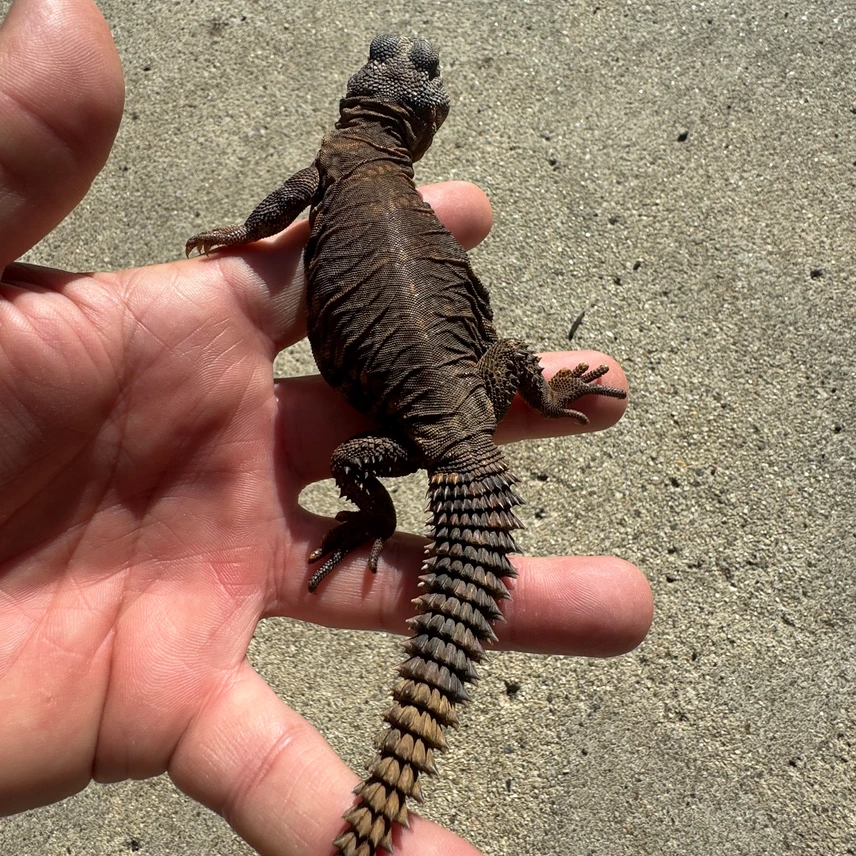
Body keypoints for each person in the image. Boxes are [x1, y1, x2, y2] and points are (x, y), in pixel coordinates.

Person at [0, 1, 653, 854]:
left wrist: (244, 235)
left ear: (355, 106)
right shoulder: (396, 184)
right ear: (419, 130)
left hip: (424, 431)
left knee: (354, 460)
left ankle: (374, 519)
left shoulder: (329, 169)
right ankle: (540, 398)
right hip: (479, 396)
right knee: (501, 362)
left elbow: (274, 214)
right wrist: (540, 393)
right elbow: (491, 341)